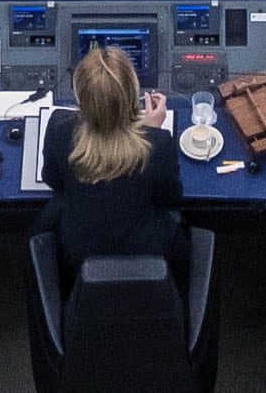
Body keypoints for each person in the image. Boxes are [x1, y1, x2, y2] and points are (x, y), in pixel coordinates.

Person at [41, 47, 182, 285]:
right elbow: (169, 199)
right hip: (146, 254)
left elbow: (54, 182)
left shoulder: (59, 129)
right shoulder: (157, 143)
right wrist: (151, 131)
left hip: (77, 253)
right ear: (131, 95)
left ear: (80, 97)